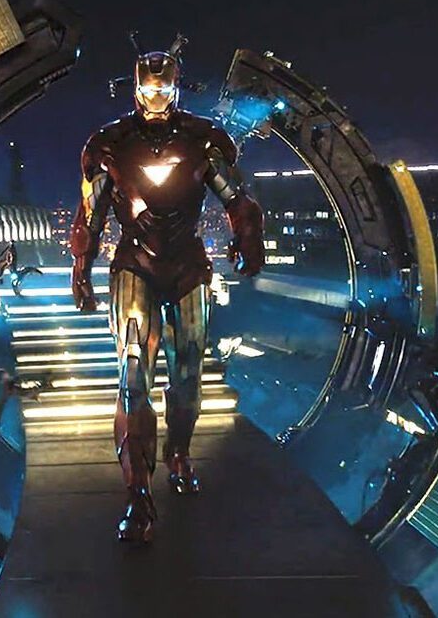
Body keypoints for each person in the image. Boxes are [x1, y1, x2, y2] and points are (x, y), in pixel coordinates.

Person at [68, 35, 264, 543]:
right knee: (134, 372)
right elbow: (91, 210)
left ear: (175, 89)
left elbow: (235, 197)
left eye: (163, 90)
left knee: (188, 370)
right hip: (134, 262)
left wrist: (247, 236)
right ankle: (138, 492)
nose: (156, 98)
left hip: (187, 266)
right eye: (149, 90)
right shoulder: (110, 144)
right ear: (136, 89)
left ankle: (177, 454)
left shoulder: (203, 140)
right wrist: (80, 267)